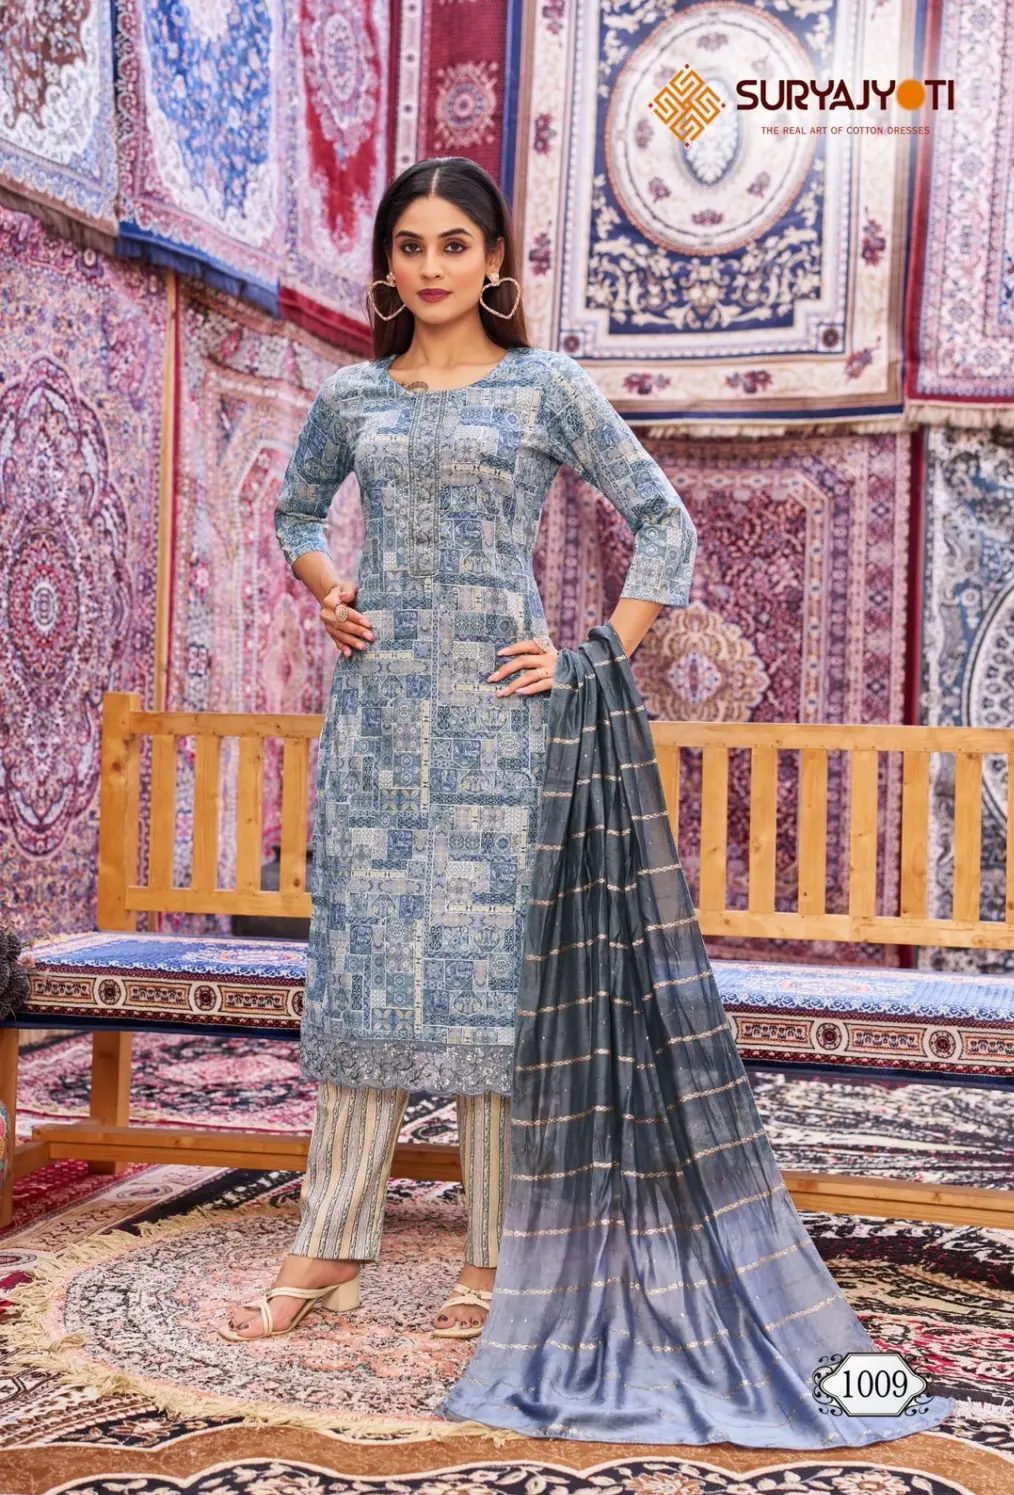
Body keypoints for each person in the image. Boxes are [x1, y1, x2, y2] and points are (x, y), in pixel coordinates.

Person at [219, 154, 696, 1343]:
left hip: (498, 728)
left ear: (492, 261)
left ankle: (497, 1259)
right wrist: (328, 589)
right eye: (409, 245)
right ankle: (330, 1244)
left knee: (492, 992)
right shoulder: (353, 397)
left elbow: (661, 523)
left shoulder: (543, 387)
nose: (429, 267)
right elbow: (294, 510)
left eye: (452, 245)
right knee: (364, 971)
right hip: (380, 725)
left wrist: (592, 654)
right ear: (387, 265)